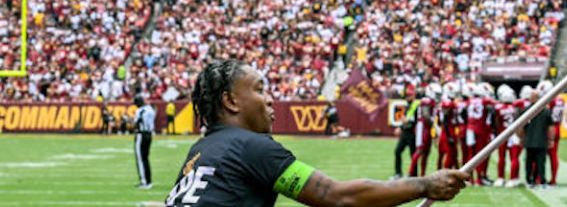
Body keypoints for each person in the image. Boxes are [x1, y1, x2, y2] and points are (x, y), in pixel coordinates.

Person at [166, 59, 466, 206]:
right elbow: (337, 197)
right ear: (230, 101)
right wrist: (425, 185)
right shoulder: (253, 147)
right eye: (259, 90)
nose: (270, 99)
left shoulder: (202, 149)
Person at [524, 87, 552, 186]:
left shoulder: (527, 110)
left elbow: (521, 127)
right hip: (541, 140)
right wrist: (550, 139)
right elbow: (550, 127)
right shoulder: (545, 111)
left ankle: (529, 180)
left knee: (529, 162)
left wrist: (522, 138)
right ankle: (541, 180)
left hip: (530, 140)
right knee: (540, 162)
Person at [135, 96, 157, 189]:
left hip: (141, 135)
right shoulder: (150, 109)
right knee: (146, 159)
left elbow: (136, 123)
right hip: (149, 134)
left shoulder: (140, 111)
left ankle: (145, 182)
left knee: (141, 159)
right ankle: (148, 180)